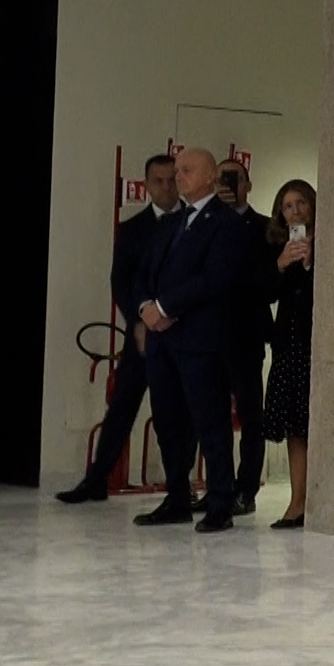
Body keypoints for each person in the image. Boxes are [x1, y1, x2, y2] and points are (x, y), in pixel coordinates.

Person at [132, 148, 248, 534]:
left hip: (200, 340)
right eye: (176, 170)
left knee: (210, 424)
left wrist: (165, 306)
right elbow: (145, 271)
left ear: (211, 175)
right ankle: (177, 498)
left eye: (187, 169)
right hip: (162, 341)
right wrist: (147, 305)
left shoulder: (226, 223)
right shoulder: (170, 222)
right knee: (167, 422)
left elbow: (214, 279)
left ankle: (220, 503)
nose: (178, 176)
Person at [58, 154, 179, 504]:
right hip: (141, 336)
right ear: (146, 185)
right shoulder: (132, 229)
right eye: (158, 181)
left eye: (172, 179)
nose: (166, 187)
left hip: (181, 335)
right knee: (122, 407)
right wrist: (139, 321)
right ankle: (96, 481)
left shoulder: (193, 222)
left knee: (177, 413)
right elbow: (121, 282)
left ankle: (178, 489)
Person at [212, 157, 273, 516]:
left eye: (235, 179)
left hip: (247, 334)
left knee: (251, 416)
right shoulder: (207, 225)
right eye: (221, 178)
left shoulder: (264, 228)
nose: (228, 185)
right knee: (213, 415)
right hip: (209, 335)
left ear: (248, 185)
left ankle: (245, 489)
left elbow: (266, 283)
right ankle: (218, 486)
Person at [262, 180, 314, 530]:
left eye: (300, 204)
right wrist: (281, 264)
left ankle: (315, 501)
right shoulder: (277, 248)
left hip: (315, 345)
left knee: (314, 425)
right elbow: (265, 293)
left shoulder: (329, 242)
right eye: (287, 206)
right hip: (288, 345)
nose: (294, 211)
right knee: (295, 427)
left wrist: (311, 264)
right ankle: (296, 502)